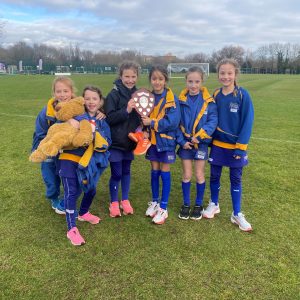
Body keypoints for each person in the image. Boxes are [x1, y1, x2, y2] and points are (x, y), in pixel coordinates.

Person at [202, 58, 254, 232]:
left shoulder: (242, 95)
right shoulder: (215, 94)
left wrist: (241, 146)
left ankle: (237, 213)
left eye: (229, 73)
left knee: (235, 178)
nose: (226, 76)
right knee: (214, 175)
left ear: (235, 74)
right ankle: (214, 204)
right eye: (222, 73)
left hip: (235, 147)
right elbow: (208, 117)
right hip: (218, 144)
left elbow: (247, 121)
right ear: (218, 75)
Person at [59, 85, 111, 246]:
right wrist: (70, 121)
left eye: (94, 98)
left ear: (100, 101)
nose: (90, 102)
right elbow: (59, 119)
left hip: (89, 163)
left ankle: (83, 213)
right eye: (87, 98)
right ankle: (71, 228)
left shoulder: (102, 121)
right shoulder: (75, 115)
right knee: (71, 191)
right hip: (68, 159)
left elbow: (108, 142)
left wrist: (98, 139)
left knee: (91, 189)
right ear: (82, 100)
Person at [176, 66, 218, 220]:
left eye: (197, 82)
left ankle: (198, 204)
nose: (193, 85)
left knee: (199, 174)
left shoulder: (209, 101)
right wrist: (182, 141)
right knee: (187, 174)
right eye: (190, 81)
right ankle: (186, 204)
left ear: (202, 82)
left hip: (201, 144)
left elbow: (213, 121)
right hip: (185, 145)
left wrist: (199, 137)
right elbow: (175, 123)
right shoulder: (180, 100)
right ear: (186, 81)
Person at [31, 76, 76, 214]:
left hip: (68, 150)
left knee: (68, 174)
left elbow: (93, 108)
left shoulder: (78, 107)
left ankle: (68, 196)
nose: (62, 95)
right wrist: (49, 147)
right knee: (50, 174)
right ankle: (54, 197)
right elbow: (40, 133)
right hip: (48, 148)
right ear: (54, 93)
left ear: (72, 92)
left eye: (65, 91)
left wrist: (99, 113)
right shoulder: (47, 111)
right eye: (59, 91)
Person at [142, 65, 180, 225]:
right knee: (154, 170)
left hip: (166, 142)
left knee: (164, 170)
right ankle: (155, 201)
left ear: (165, 80)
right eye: (154, 79)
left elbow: (172, 122)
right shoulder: (147, 97)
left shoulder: (172, 98)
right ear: (150, 80)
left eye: (160, 79)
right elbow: (142, 117)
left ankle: (164, 208)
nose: (157, 82)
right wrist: (144, 128)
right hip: (152, 142)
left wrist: (152, 122)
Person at [104, 61, 141, 217]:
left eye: (133, 76)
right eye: (127, 76)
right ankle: (113, 202)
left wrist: (141, 127)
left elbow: (140, 118)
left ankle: (124, 200)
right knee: (117, 173)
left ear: (137, 77)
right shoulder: (113, 94)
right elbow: (109, 118)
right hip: (116, 142)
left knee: (126, 171)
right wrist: (126, 110)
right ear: (121, 76)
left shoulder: (139, 95)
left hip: (130, 142)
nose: (130, 80)